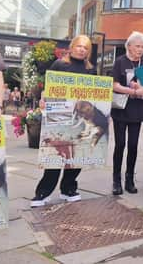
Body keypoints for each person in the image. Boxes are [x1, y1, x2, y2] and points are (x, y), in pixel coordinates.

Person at [30, 35, 97, 207]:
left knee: (76, 155)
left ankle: (68, 188)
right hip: (60, 115)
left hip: (80, 116)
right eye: (79, 46)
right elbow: (48, 87)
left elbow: (96, 94)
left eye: (85, 48)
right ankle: (43, 192)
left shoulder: (91, 69)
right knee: (55, 154)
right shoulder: (60, 64)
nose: (82, 49)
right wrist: (43, 99)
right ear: (72, 46)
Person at [111, 31, 143, 195]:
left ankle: (129, 179)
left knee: (133, 146)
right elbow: (114, 85)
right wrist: (132, 90)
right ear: (129, 46)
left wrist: (142, 88)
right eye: (137, 46)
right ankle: (116, 180)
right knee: (120, 144)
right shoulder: (120, 62)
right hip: (121, 108)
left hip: (137, 109)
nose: (140, 49)